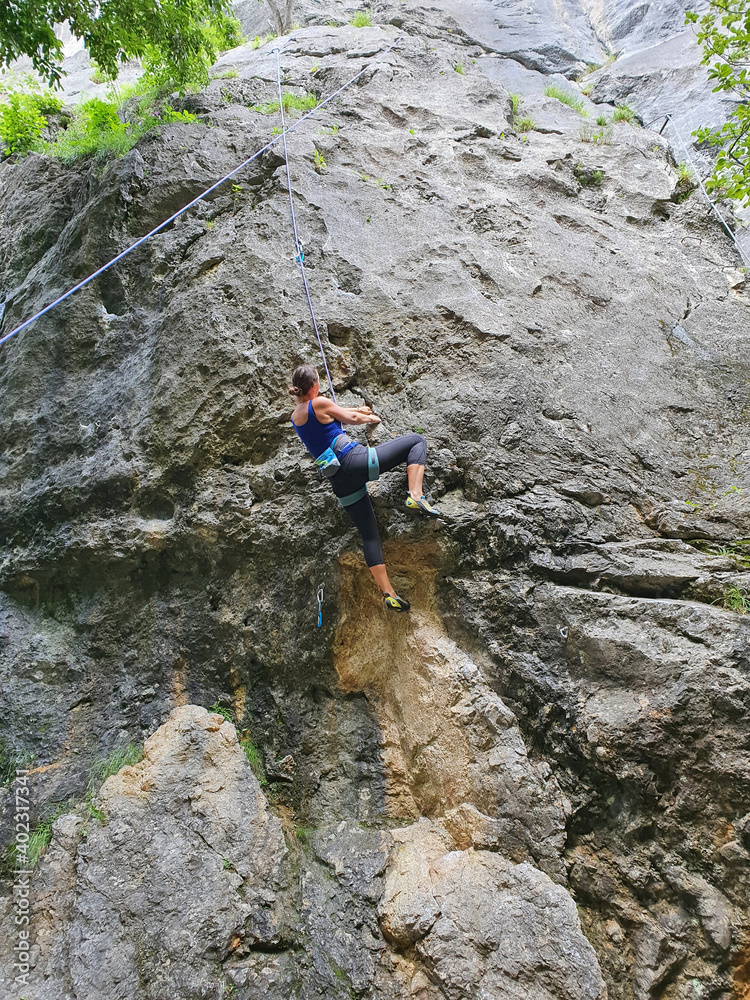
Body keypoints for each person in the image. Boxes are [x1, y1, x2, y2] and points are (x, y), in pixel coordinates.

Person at [289, 364, 439, 612]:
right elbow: (350, 419)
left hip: (340, 481)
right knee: (416, 441)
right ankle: (415, 495)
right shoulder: (320, 403)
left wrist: (356, 410)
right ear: (315, 385)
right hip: (354, 461)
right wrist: (368, 417)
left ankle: (389, 593)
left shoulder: (296, 416)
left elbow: (336, 413)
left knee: (369, 535)